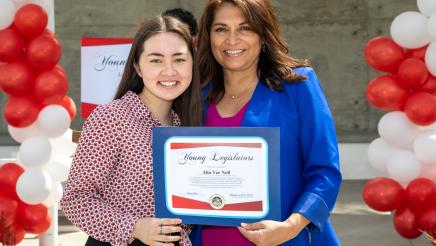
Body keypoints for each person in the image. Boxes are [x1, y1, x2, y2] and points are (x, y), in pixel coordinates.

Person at [191, 0, 342, 245]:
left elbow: (325, 172)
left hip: (287, 238)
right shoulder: (195, 94)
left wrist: (290, 227)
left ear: (263, 33)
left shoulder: (298, 85)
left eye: (245, 28)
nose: (232, 40)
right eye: (221, 29)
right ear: (208, 36)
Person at [60, 15, 202, 246]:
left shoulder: (188, 125)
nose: (169, 71)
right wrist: (134, 227)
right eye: (156, 60)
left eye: (179, 59)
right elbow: (75, 200)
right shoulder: (111, 118)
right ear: (137, 65)